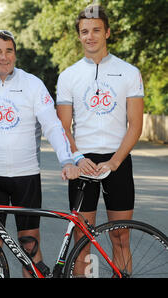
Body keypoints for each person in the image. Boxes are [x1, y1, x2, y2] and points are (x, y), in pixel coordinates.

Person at [0, 30, 80, 277]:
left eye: (9, 51)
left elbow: (52, 125)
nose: (4, 57)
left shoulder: (33, 84)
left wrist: (66, 159)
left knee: (30, 244)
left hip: (27, 176)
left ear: (15, 54)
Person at [56, 5, 144, 276]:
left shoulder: (129, 72)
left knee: (121, 238)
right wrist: (79, 159)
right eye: (84, 31)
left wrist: (115, 162)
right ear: (79, 36)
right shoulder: (68, 75)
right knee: (83, 243)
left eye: (96, 30)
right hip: (83, 162)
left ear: (107, 32)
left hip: (117, 161)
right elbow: (63, 127)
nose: (90, 36)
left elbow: (136, 126)